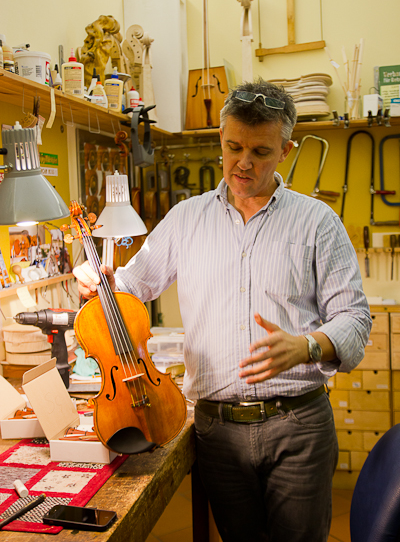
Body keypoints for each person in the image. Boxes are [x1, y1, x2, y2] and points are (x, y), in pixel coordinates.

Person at [73, 78, 372, 542]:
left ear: (286, 150)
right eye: (234, 147)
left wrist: (308, 345)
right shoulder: (186, 219)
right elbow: (131, 286)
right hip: (217, 431)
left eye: (261, 152)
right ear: (220, 138)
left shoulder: (318, 222)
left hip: (299, 428)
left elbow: (354, 318)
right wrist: (100, 282)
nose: (244, 163)